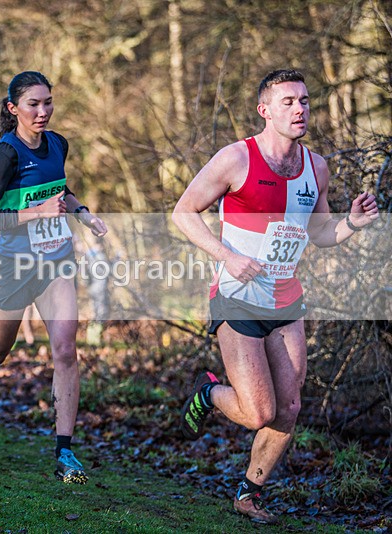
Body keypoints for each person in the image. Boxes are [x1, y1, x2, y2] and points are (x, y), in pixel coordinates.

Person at [172, 69, 379, 524]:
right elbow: (183, 212)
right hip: (238, 296)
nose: (300, 109)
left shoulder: (316, 167)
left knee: (288, 406)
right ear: (265, 110)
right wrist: (226, 255)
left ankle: (249, 493)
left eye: (304, 100)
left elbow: (322, 233)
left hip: (286, 300)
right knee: (257, 411)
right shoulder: (235, 159)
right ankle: (209, 394)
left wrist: (353, 224)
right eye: (288, 101)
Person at [0, 71, 107, 484]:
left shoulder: (58, 144)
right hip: (14, 267)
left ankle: (65, 451)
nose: (43, 111)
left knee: (65, 350)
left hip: (56, 261)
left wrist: (82, 213)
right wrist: (37, 213)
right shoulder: (6, 154)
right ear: (13, 108)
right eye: (34, 104)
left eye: (48, 102)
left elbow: (60, 189)